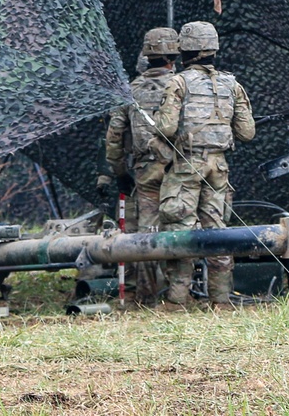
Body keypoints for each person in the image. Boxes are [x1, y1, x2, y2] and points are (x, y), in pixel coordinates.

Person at [155, 21, 255, 307]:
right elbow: (247, 133)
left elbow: (166, 127)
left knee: (179, 228)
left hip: (187, 166)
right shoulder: (232, 85)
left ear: (184, 49)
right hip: (218, 167)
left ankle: (177, 300)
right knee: (217, 230)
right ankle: (221, 300)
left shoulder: (179, 83)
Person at [102, 27, 181, 304]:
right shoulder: (183, 86)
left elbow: (114, 138)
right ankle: (180, 295)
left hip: (145, 171)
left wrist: (120, 173)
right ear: (174, 56)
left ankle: (147, 298)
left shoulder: (130, 91)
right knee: (183, 227)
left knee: (146, 233)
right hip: (181, 169)